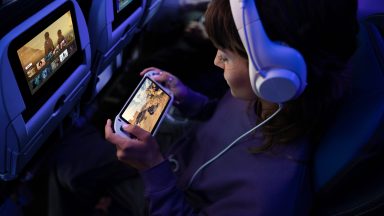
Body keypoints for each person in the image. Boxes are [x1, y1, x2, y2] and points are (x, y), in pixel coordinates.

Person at [105, 0, 358, 215]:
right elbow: (223, 118)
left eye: (225, 55)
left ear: (275, 75)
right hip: (178, 158)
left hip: (170, 195)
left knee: (73, 162)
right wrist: (188, 98)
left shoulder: (267, 194)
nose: (216, 61)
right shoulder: (267, 95)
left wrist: (152, 168)